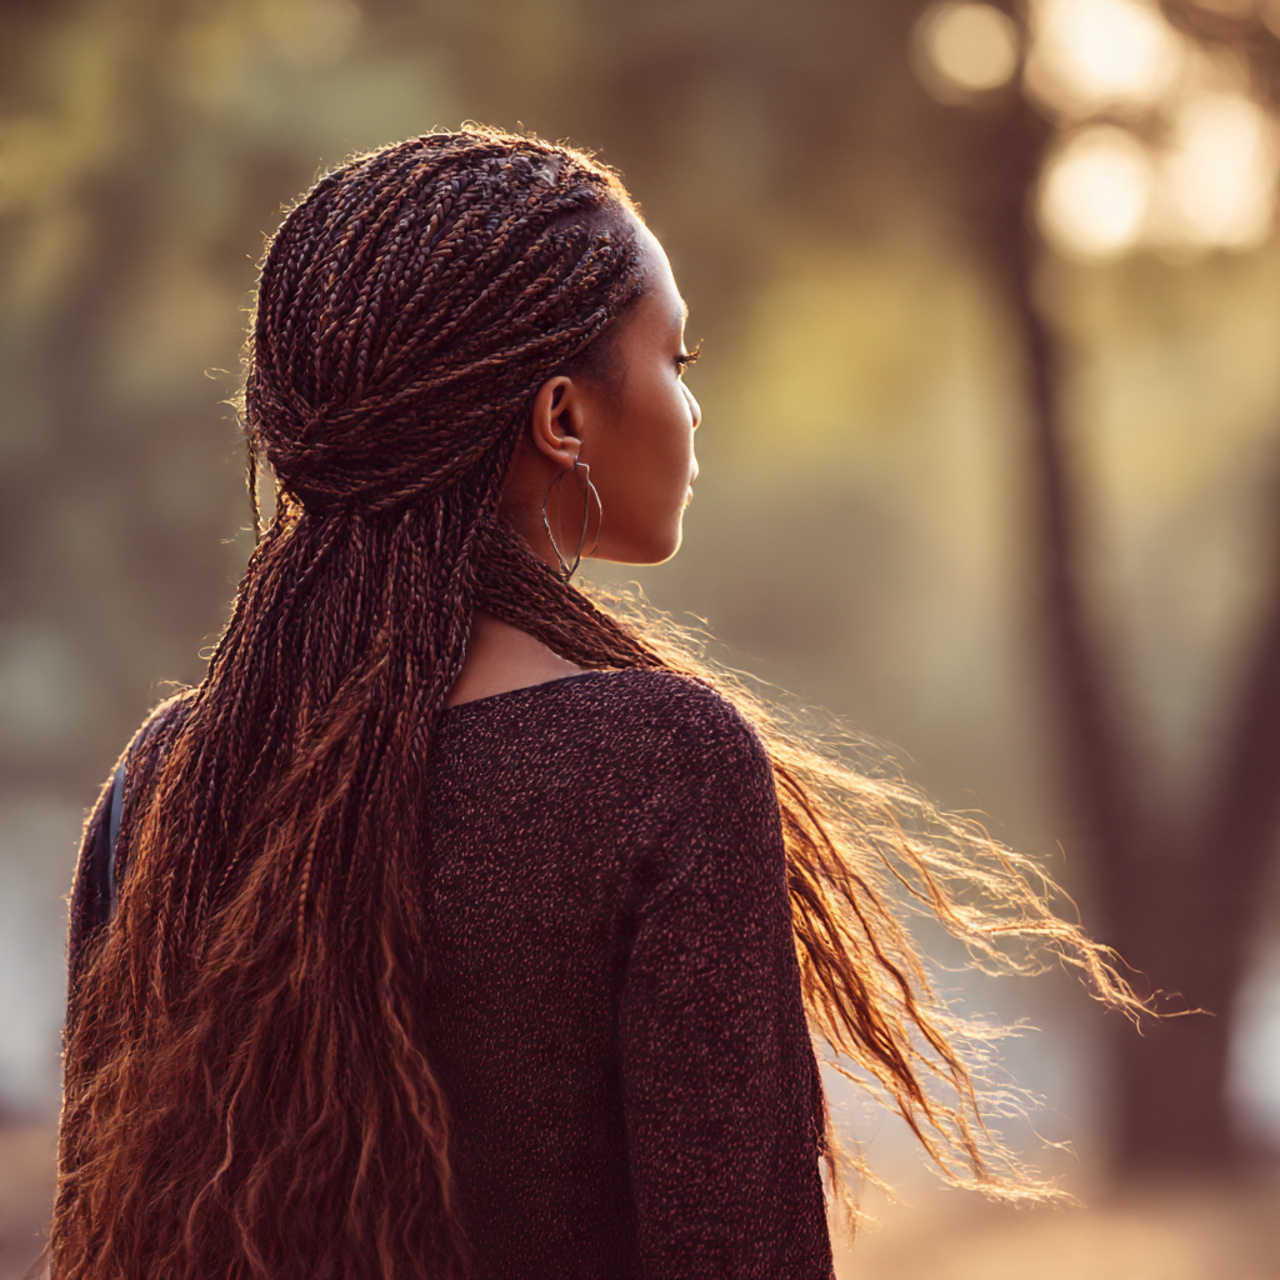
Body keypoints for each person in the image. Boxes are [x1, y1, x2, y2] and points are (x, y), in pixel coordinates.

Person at [50, 126, 1137, 1280]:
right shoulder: (660, 763)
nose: (693, 408)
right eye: (678, 356)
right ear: (562, 417)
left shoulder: (166, 782)